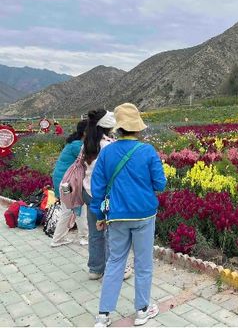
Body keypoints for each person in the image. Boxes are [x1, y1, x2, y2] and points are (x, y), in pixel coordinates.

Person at [91, 103, 166, 327]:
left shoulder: (107, 152)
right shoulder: (147, 151)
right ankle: (142, 311)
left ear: (118, 128)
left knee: (115, 262)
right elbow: (160, 184)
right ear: (138, 128)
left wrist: (100, 215)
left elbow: (98, 188)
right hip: (144, 215)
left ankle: (103, 316)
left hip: (116, 216)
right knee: (143, 264)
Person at [82, 109, 128, 280]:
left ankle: (95, 269)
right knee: (111, 233)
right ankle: (115, 270)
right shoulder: (109, 146)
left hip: (88, 192)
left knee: (95, 233)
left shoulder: (87, 143)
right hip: (104, 195)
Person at [50, 120, 89, 247]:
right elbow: (89, 161)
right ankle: (84, 237)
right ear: (85, 132)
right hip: (69, 182)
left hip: (62, 181)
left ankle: (58, 239)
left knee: (68, 209)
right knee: (78, 207)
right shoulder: (77, 146)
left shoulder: (75, 143)